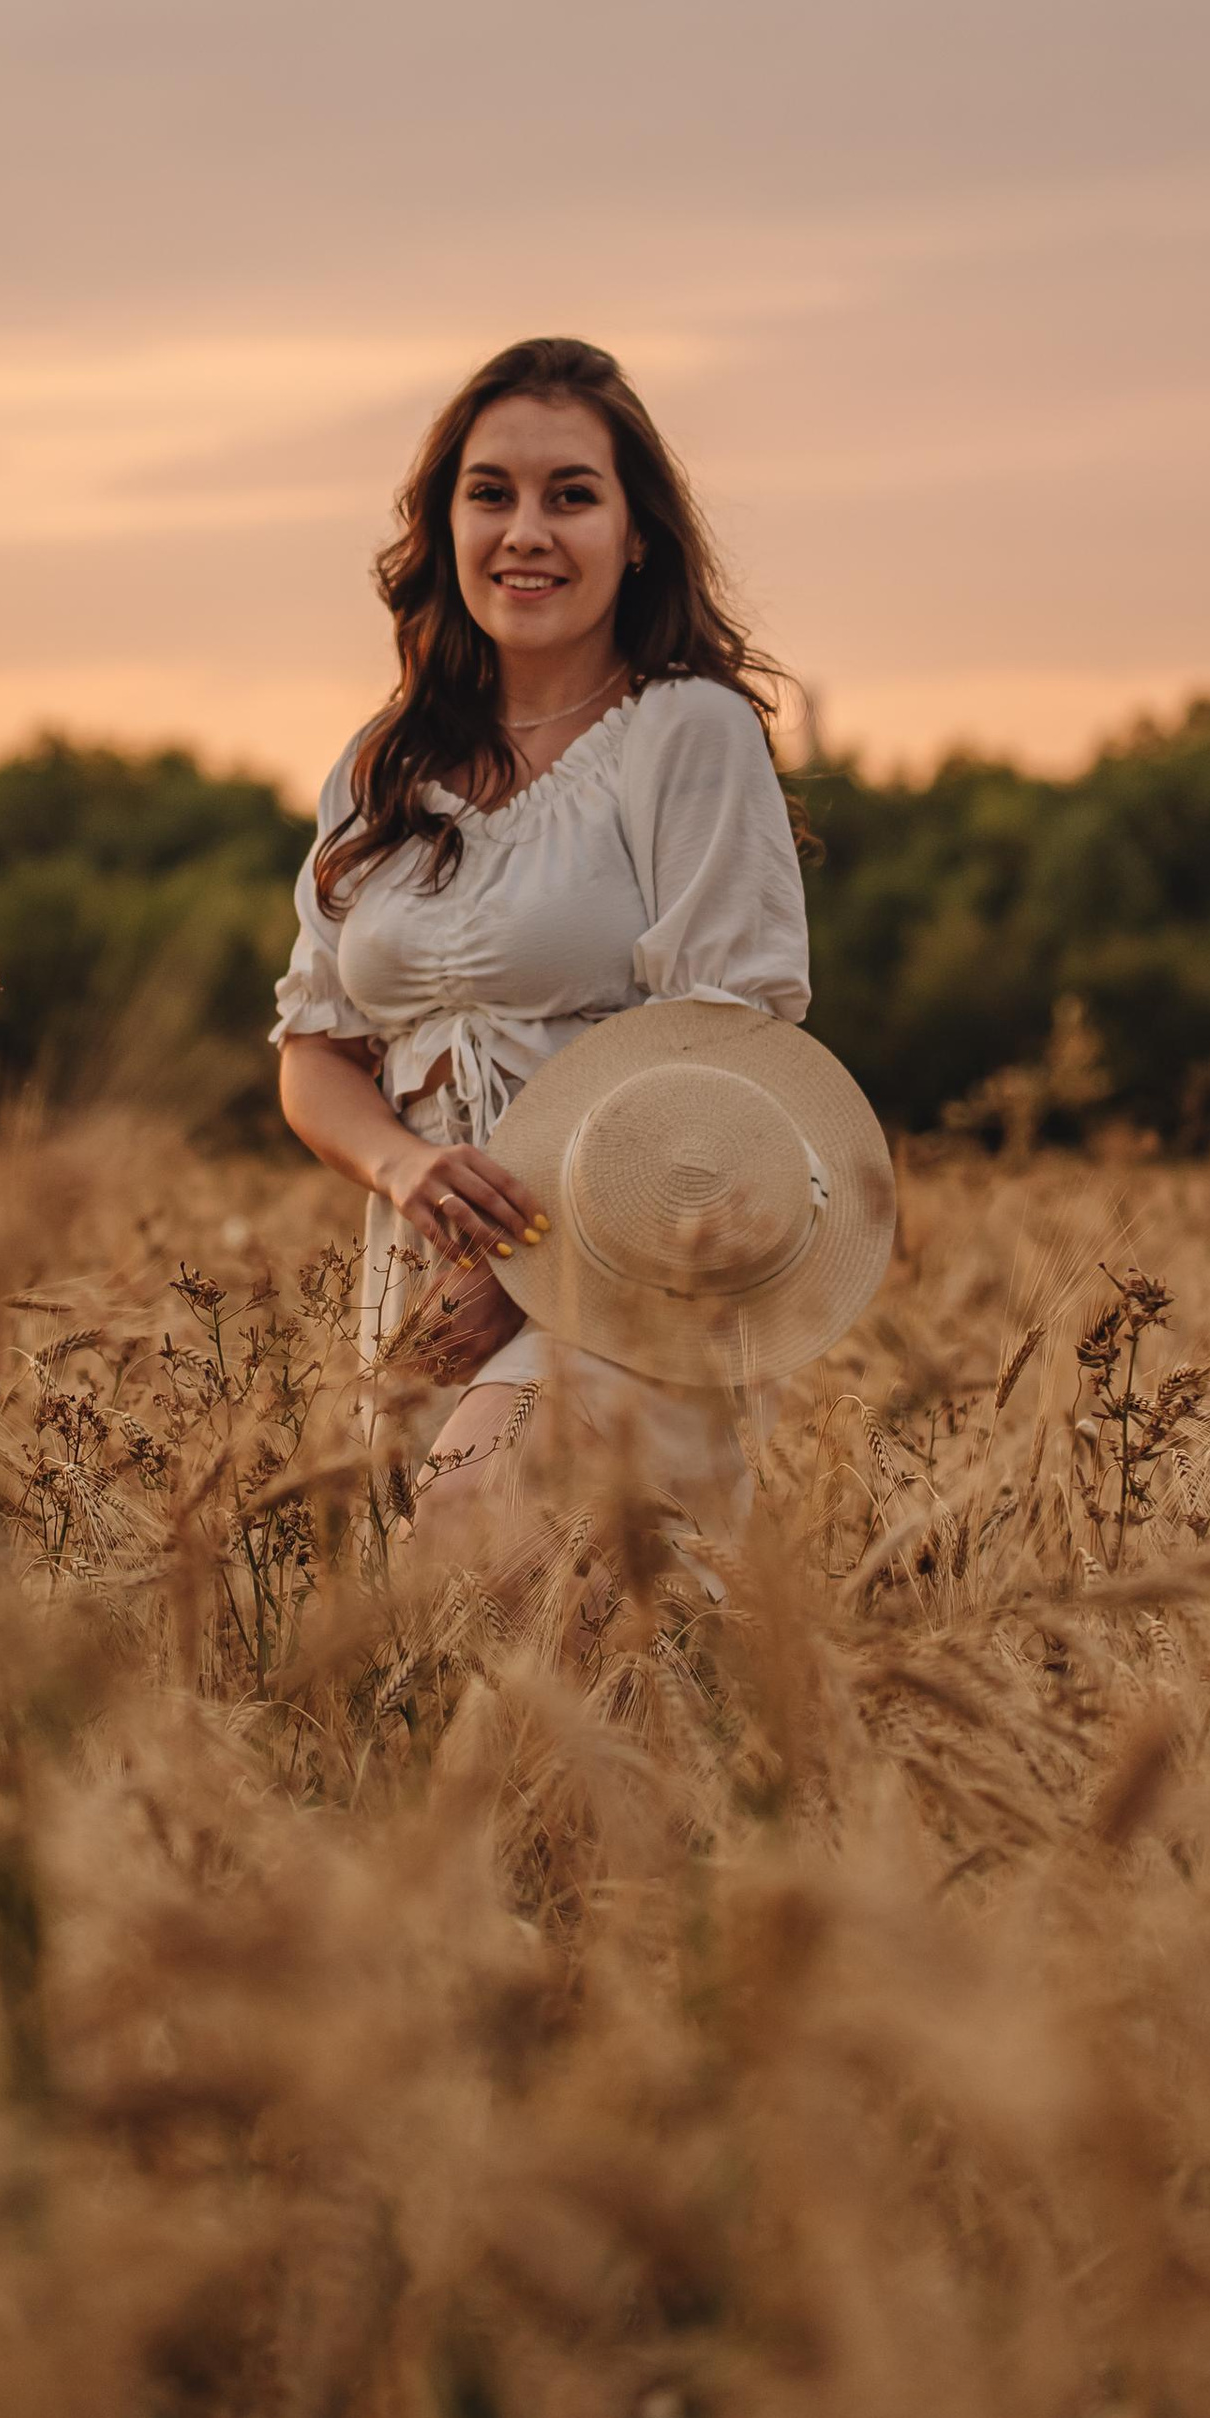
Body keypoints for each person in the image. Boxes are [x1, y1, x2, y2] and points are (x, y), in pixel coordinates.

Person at [271, 333, 815, 1596]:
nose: (527, 530)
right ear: (443, 526)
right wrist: (408, 1168)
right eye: (490, 493)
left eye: (571, 494)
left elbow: (726, 1033)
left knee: (469, 1543)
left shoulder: (684, 731)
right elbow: (314, 1052)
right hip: (429, 1277)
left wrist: (535, 1267)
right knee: (494, 1683)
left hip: (635, 1264)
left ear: (637, 537)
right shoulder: (378, 768)